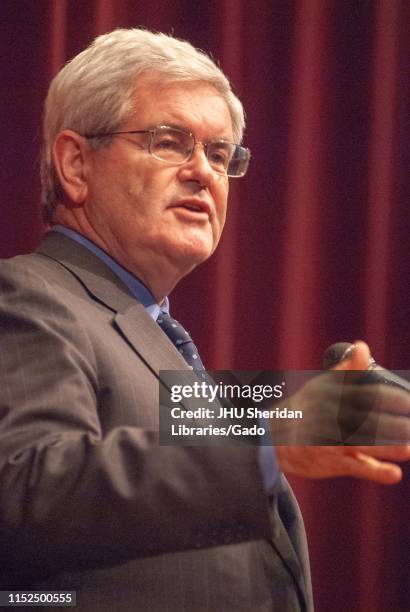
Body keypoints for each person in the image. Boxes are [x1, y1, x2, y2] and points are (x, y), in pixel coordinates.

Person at [0, 28, 409, 612]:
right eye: (170, 142)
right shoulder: (26, 297)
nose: (204, 172)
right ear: (75, 163)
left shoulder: (154, 335)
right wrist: (271, 440)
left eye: (219, 154)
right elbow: (28, 490)